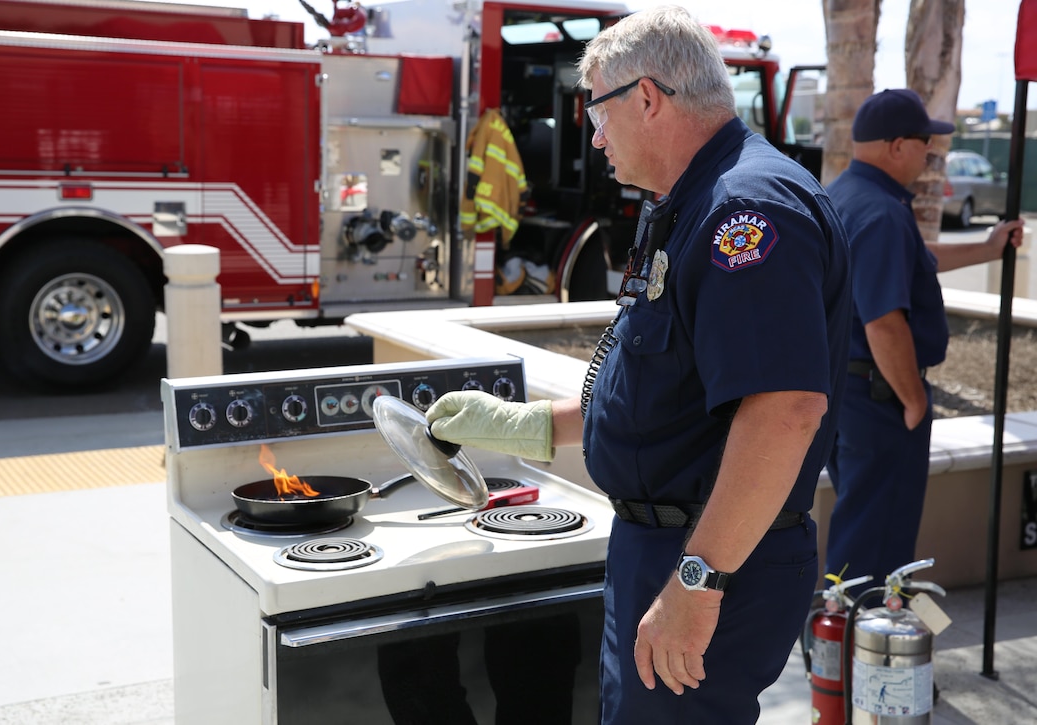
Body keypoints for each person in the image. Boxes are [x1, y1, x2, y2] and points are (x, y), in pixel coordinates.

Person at [424, 6, 852, 722]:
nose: (592, 137)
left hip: (703, 554)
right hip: (666, 546)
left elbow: (784, 411)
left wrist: (696, 578)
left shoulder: (742, 212)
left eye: (597, 112)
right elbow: (666, 392)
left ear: (647, 97)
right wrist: (527, 425)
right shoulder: (684, 204)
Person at [824, 88, 1025, 598]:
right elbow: (884, 322)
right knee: (877, 549)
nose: (930, 155)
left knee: (859, 537)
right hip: (880, 401)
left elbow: (916, 257)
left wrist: (985, 247)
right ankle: (861, 665)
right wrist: (914, 400)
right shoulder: (882, 212)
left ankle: (841, 654)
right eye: (924, 144)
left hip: (850, 397)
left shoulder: (848, 196)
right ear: (895, 146)